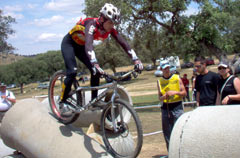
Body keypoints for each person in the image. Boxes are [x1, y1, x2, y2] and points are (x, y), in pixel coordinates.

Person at [60, 3, 143, 116]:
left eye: (113, 23)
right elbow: (89, 45)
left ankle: (94, 101)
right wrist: (95, 63)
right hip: (69, 44)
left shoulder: (110, 29)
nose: (112, 25)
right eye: (110, 22)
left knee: (96, 72)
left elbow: (124, 43)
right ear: (102, 19)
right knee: (72, 71)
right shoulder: (91, 24)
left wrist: (136, 60)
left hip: (81, 47)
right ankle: (62, 102)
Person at [157, 60, 186, 151]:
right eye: (164, 68)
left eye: (168, 68)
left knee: (179, 130)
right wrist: (164, 97)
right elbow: (160, 97)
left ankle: (180, 151)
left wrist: (175, 92)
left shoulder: (177, 78)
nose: (167, 70)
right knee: (167, 132)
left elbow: (184, 93)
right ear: (161, 69)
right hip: (166, 108)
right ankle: (171, 152)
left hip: (177, 107)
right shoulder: (159, 81)